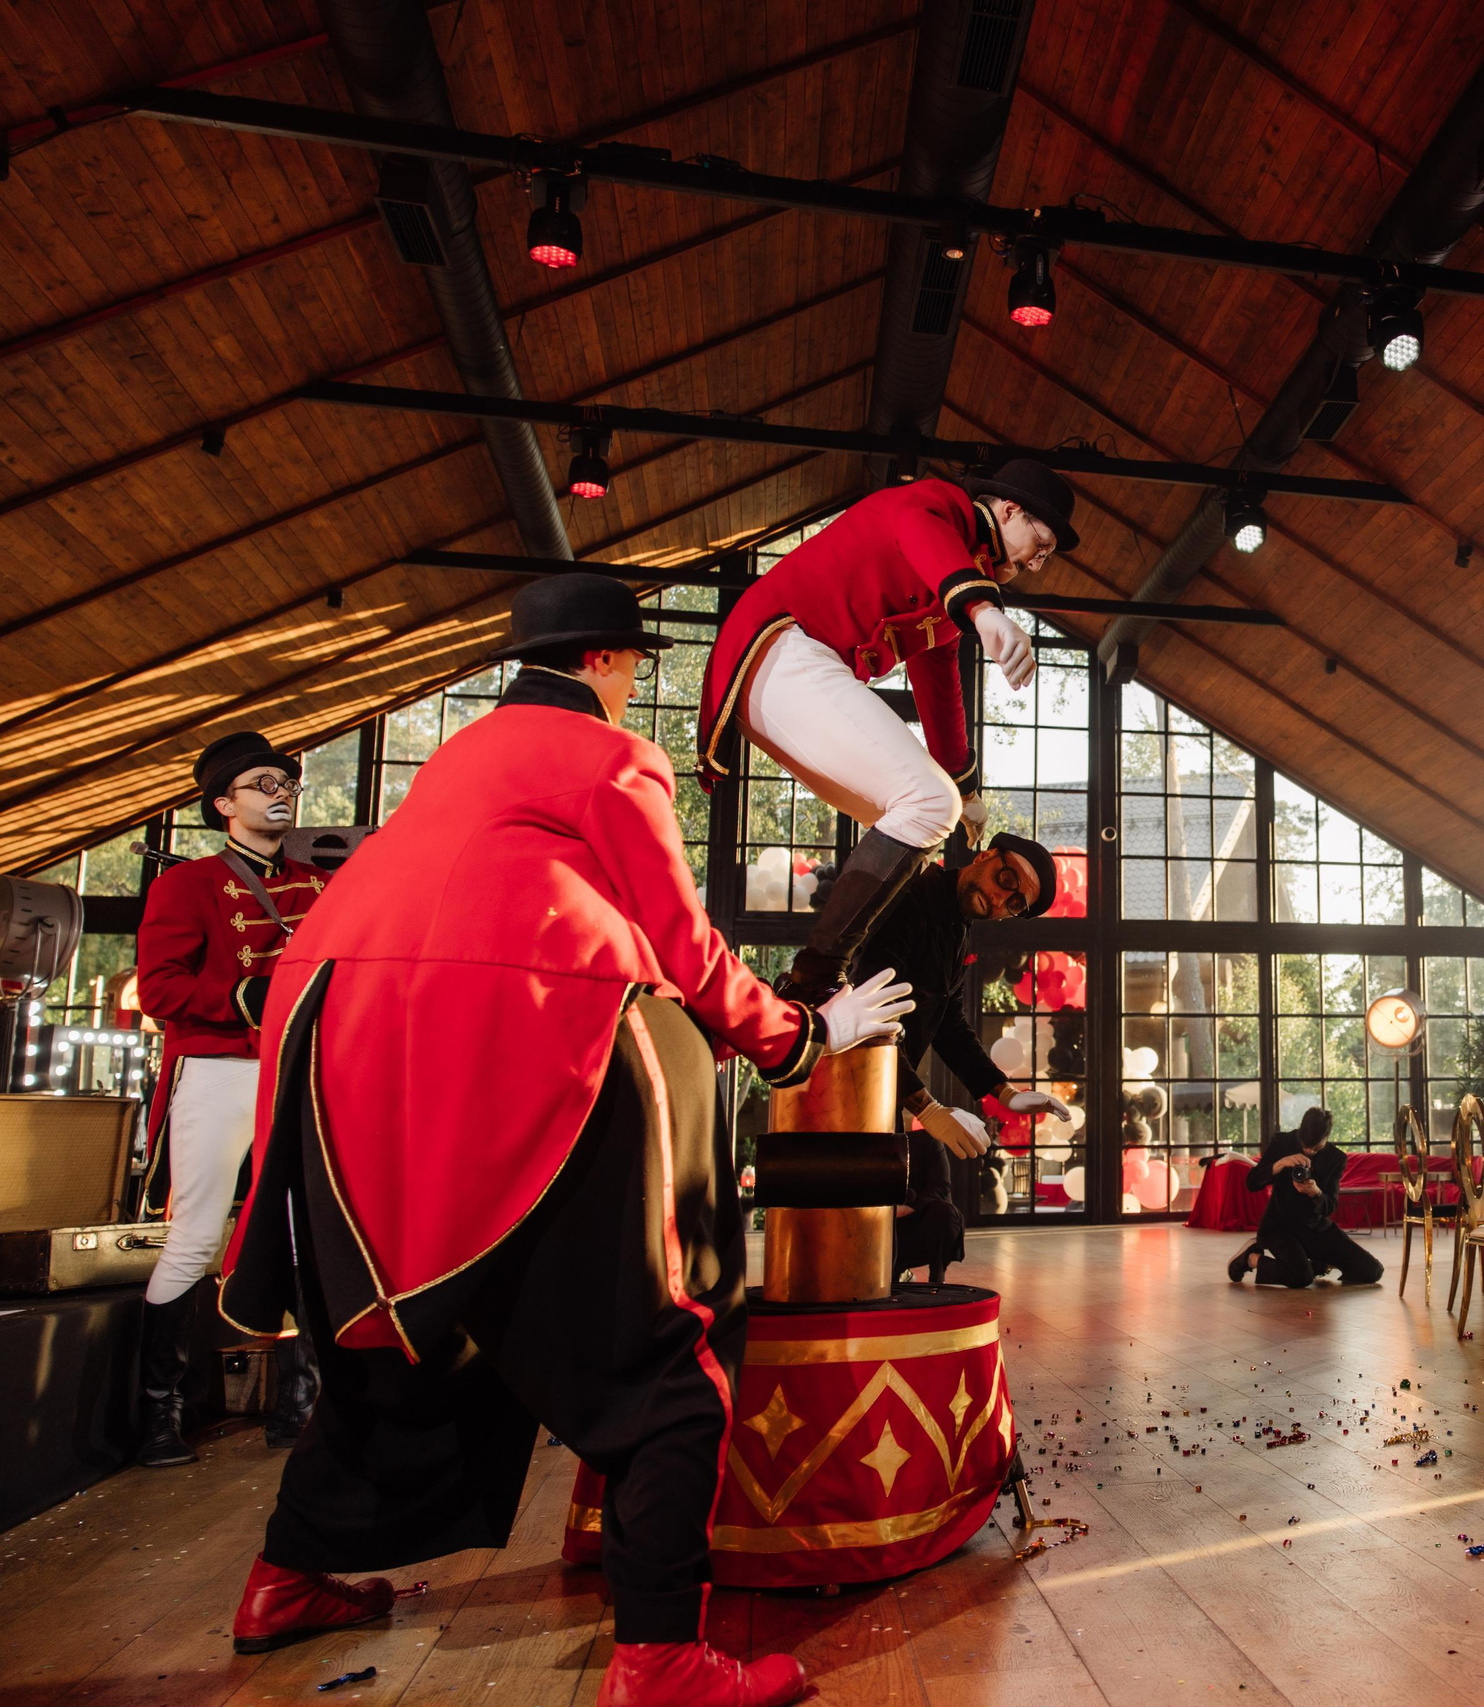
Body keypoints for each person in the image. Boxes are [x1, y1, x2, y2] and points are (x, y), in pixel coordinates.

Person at [215, 576, 913, 1707]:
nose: (636, 682)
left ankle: (285, 1576)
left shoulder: (458, 760)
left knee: (418, 1325)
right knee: (669, 1346)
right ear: (603, 660)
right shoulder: (612, 758)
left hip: (344, 1031)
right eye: (636, 662)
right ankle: (660, 1657)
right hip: (526, 1029)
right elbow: (681, 944)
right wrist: (802, 1034)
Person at [694, 461, 1076, 1007]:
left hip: (787, 668)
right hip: (783, 644)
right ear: (1010, 510)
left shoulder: (954, 587)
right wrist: (983, 608)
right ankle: (816, 977)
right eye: (1041, 545)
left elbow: (938, 686)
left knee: (912, 821)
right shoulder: (936, 505)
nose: (1038, 564)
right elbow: (917, 530)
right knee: (928, 803)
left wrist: (966, 788)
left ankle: (846, 971)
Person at [131, 731, 332, 1466]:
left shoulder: (320, 885)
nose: (281, 794)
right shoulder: (186, 885)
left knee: (302, 1233)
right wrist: (247, 996)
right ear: (223, 804)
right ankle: (159, 1417)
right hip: (217, 1065)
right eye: (262, 784)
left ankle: (297, 1407)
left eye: (287, 783)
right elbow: (159, 989)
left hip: (296, 1070)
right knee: (194, 1237)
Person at [838, 833, 1074, 1280]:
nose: (1001, 899)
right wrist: (927, 1108)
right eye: (1006, 879)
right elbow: (867, 1016)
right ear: (986, 855)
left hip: (880, 1092)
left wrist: (1003, 1091)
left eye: (1015, 903)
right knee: (845, 1239)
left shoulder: (959, 930)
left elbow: (949, 1024)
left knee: (874, 1242)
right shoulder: (910, 897)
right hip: (841, 1088)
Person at [1229, 1110, 1383, 1288]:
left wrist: (1316, 1192)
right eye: (1305, 1146)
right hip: (1279, 1227)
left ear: (1327, 1137)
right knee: (1301, 1277)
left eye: (1316, 1148)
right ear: (1300, 1132)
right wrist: (1280, 1164)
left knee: (1373, 1271)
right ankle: (1251, 1258)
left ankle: (1317, 1264)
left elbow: (1329, 1207)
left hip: (1315, 1228)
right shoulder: (1282, 1142)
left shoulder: (1335, 1158)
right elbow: (1252, 1183)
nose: (1309, 1151)